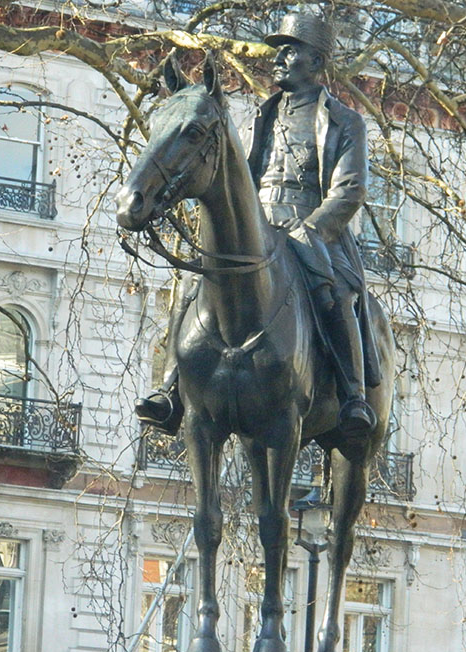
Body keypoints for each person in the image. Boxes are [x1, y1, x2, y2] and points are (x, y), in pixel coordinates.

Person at [136, 10, 378, 439]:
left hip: (315, 230)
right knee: (194, 286)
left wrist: (313, 229)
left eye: (291, 50)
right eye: (277, 50)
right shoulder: (256, 117)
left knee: (336, 293)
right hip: (258, 226)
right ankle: (170, 387)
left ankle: (353, 395)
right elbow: (235, 179)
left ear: (317, 62)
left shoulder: (344, 122)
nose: (279, 58)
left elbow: (349, 191)